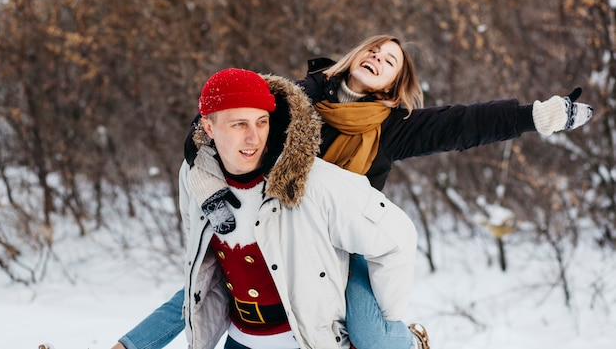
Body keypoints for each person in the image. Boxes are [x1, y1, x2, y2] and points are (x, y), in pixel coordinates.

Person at [111, 35, 593, 349]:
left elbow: (466, 123)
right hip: (274, 227)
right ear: (354, 56)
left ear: (394, 86)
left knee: (371, 335)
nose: (378, 58)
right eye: (374, 50)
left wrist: (537, 115)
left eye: (390, 61)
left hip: (344, 242)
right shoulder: (297, 102)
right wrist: (208, 187)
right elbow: (211, 124)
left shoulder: (391, 127)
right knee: (205, 283)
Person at [144, 67, 419, 349]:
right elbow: (203, 272)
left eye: (261, 122)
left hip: (307, 341)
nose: (253, 138)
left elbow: (398, 238)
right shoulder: (194, 177)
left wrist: (384, 330)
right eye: (239, 124)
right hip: (241, 340)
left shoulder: (317, 183)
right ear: (208, 127)